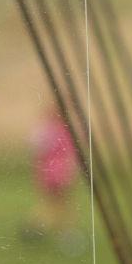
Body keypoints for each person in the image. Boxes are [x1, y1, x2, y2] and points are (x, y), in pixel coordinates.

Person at [25, 105, 80, 248]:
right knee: (61, 203)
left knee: (54, 203)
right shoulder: (63, 130)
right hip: (59, 172)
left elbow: (37, 147)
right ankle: (60, 231)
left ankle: (38, 227)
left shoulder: (49, 129)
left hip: (48, 172)